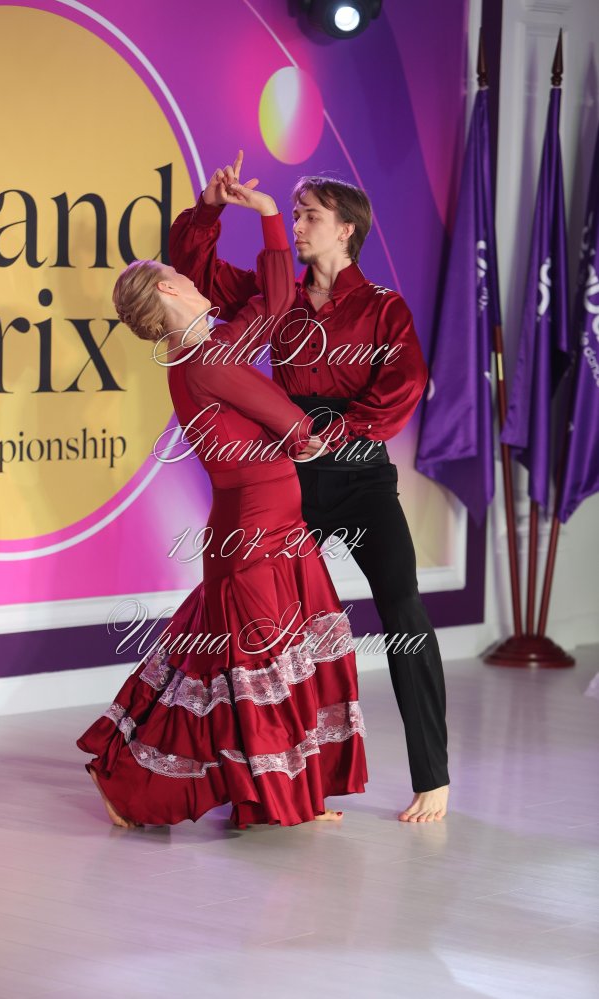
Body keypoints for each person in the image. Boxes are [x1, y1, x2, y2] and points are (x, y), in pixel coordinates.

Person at [77, 180, 368, 830]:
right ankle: (145, 787)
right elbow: (292, 425)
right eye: (184, 274)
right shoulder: (206, 359)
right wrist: (308, 435)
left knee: (236, 668)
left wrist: (254, 213)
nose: (196, 276)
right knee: (252, 671)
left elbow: (275, 303)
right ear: (171, 290)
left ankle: (286, 793)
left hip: (267, 529)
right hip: (256, 535)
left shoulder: (202, 352)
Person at [169, 152, 450, 823]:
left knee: (405, 613)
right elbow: (195, 274)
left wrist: (342, 429)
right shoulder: (276, 296)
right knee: (269, 628)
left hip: (362, 481)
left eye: (310, 216)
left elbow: (406, 382)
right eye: (293, 215)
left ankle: (433, 776)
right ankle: (272, 784)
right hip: (290, 482)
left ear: (346, 228)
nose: (296, 226)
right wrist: (210, 208)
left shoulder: (383, 308)